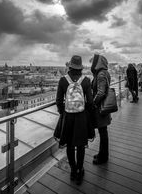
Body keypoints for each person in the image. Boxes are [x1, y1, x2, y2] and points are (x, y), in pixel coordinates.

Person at [55, 55, 94, 185]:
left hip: (68, 117)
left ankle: (73, 170)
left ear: (70, 66)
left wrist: (63, 113)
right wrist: (85, 114)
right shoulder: (86, 81)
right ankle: (80, 169)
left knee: (70, 145)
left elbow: (59, 101)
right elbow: (90, 102)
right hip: (81, 117)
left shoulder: (63, 80)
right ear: (81, 67)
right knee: (81, 145)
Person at [91, 54, 111, 165]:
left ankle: (103, 157)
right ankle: (102, 154)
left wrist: (93, 103)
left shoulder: (101, 74)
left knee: (103, 132)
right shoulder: (105, 72)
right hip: (104, 107)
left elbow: (101, 92)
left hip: (100, 109)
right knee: (103, 132)